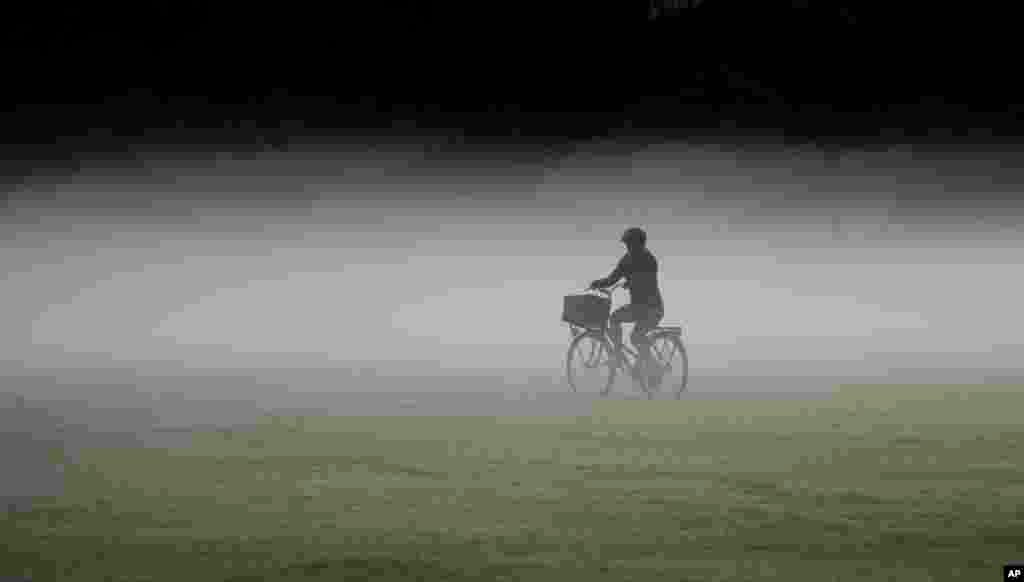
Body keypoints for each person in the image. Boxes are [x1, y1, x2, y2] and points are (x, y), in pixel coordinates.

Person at [589, 227, 665, 383]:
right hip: (646, 308)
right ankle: (635, 361)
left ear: (638, 244)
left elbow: (643, 282)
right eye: (627, 245)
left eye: (630, 244)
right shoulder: (636, 258)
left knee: (628, 330)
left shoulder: (641, 259)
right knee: (628, 330)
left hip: (648, 308)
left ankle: (644, 364)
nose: (628, 247)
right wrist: (601, 283)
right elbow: (615, 278)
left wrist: (629, 282)